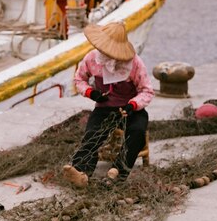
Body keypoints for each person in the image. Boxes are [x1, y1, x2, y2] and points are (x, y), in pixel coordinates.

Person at [63, 22, 154, 187]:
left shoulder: (134, 63)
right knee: (92, 134)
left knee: (137, 133)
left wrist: (133, 105)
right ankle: (81, 172)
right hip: (104, 108)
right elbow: (79, 79)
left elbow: (147, 91)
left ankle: (117, 172)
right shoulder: (92, 58)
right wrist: (91, 93)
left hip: (130, 110)